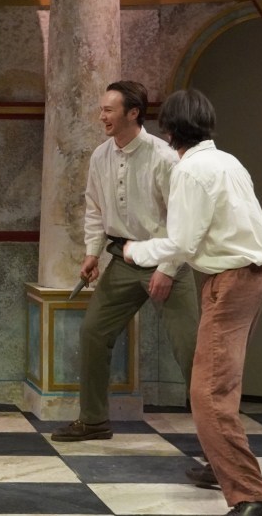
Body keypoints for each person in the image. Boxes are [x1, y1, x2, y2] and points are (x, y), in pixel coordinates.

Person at [125, 89, 262, 516]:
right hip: (255, 277)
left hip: (229, 282)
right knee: (219, 387)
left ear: (168, 130)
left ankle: (252, 497)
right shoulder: (229, 161)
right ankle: (223, 467)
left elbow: (183, 242)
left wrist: (137, 251)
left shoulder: (190, 171)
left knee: (208, 393)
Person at [51, 80, 198, 442]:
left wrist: (166, 270)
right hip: (124, 259)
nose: (102, 116)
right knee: (93, 333)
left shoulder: (164, 157)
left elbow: (182, 220)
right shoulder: (100, 156)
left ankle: (217, 441)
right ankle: (94, 421)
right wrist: (92, 253)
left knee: (191, 350)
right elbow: (94, 209)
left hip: (167, 261)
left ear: (133, 113)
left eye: (108, 110)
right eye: (101, 109)